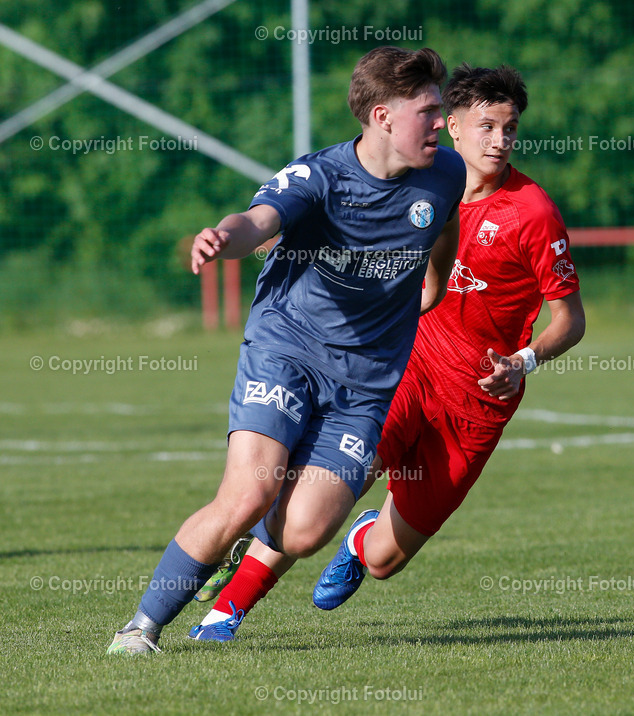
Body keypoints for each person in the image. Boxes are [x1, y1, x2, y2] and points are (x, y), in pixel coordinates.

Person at [189, 63, 586, 641]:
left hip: (477, 402)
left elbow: (570, 321)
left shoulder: (533, 212)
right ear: (450, 125)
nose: (499, 140)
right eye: (486, 126)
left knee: (383, 561)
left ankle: (359, 539)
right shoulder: (417, 182)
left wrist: (522, 361)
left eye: (510, 128)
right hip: (403, 369)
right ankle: (226, 612)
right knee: (313, 492)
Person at [106, 46, 465, 655]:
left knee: (302, 533)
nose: (440, 122)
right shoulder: (320, 177)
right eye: (428, 110)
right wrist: (224, 236)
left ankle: (238, 550)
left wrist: (439, 272)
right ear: (381, 116)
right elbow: (259, 219)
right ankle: (140, 628)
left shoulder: (445, 172)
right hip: (288, 349)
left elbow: (442, 220)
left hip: (366, 382)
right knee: (248, 494)